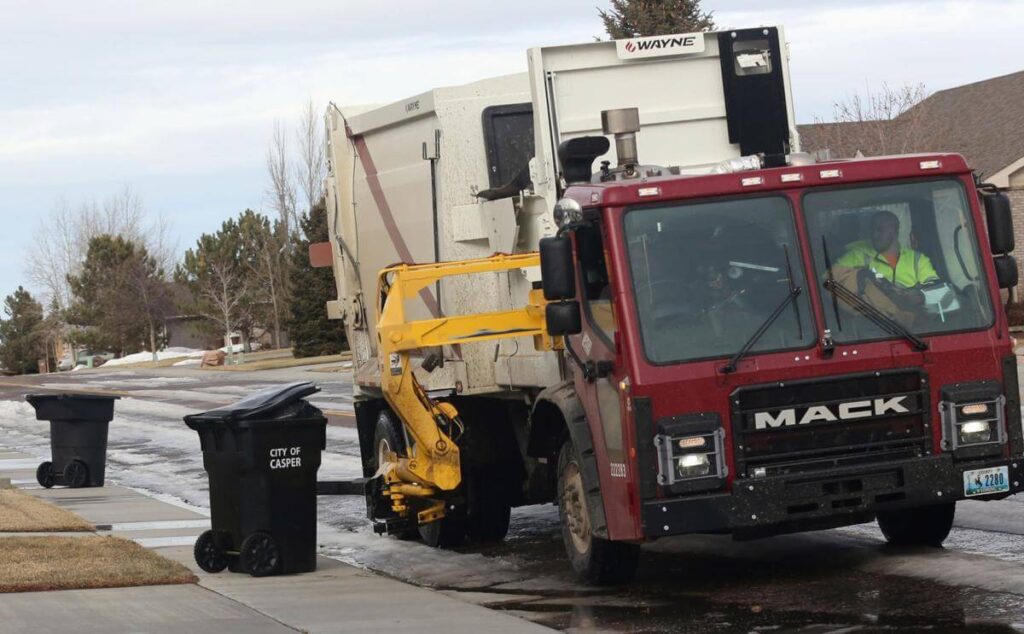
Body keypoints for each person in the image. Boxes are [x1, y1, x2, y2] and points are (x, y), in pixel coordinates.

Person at [833, 210, 940, 323]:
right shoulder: (856, 255)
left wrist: (921, 296)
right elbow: (830, 281)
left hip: (916, 324)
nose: (874, 235)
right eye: (872, 230)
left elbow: (938, 291)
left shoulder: (917, 259)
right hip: (875, 323)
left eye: (879, 230)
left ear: (894, 231)